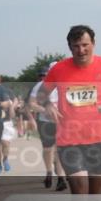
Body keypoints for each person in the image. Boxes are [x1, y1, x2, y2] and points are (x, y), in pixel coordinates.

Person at [41, 25, 101, 195]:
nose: (80, 50)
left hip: (100, 139)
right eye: (75, 46)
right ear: (69, 47)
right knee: (80, 192)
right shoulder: (58, 69)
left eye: (84, 45)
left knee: (96, 194)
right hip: (69, 140)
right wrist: (48, 105)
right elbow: (41, 94)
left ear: (93, 44)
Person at [27, 63, 67, 191]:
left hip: (63, 122)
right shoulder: (40, 86)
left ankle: (61, 178)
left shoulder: (68, 85)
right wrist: (45, 110)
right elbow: (32, 104)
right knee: (48, 149)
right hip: (45, 122)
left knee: (60, 149)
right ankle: (49, 172)